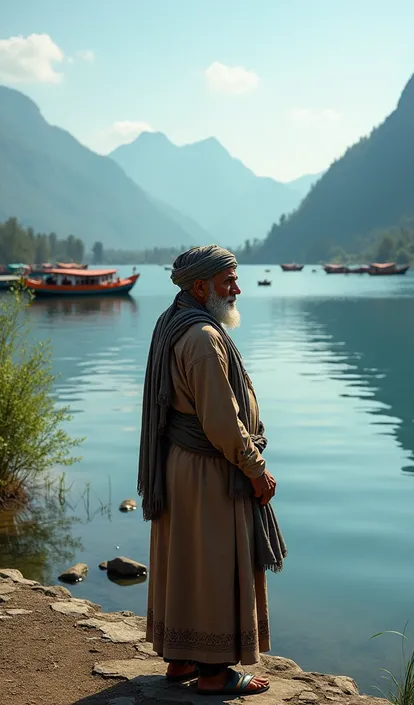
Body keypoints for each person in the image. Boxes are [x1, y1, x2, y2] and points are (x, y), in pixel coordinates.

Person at [138, 245, 287, 697]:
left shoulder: (172, 321)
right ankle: (215, 673)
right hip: (208, 470)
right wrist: (255, 468)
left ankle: (181, 657)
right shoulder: (202, 338)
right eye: (228, 282)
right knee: (216, 564)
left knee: (188, 562)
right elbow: (222, 421)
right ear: (200, 286)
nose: (237, 289)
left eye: (235, 280)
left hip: (179, 466)